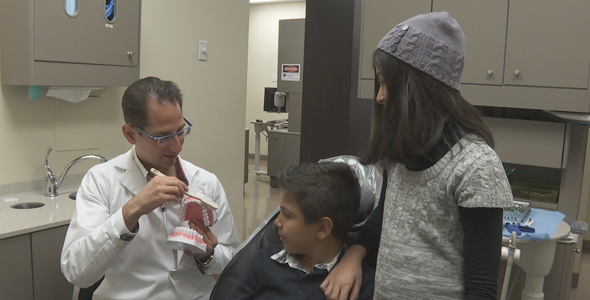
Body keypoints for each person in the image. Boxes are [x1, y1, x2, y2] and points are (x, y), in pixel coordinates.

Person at [320, 12, 514, 300]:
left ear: (420, 87)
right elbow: (386, 214)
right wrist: (353, 257)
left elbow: (482, 288)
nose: (380, 97)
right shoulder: (401, 152)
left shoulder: (476, 165)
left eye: (387, 83)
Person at [60, 76, 239, 299]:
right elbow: (77, 272)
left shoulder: (205, 181)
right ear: (130, 134)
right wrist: (131, 210)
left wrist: (208, 255)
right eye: (163, 136)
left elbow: (231, 259)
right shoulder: (101, 180)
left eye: (181, 131)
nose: (177, 146)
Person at [227, 162, 375, 300]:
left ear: (322, 227)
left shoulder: (358, 284)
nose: (277, 222)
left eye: (287, 214)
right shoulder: (264, 262)